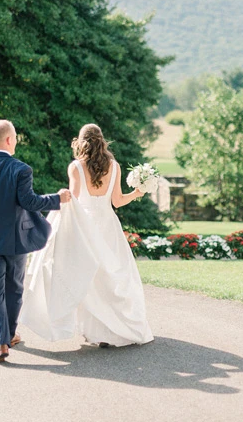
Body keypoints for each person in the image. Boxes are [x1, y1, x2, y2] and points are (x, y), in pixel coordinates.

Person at [20, 123, 154, 347]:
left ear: (80, 142)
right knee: (109, 277)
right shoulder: (114, 166)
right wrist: (137, 193)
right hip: (108, 224)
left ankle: (97, 332)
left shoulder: (76, 167)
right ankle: (109, 331)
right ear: (102, 140)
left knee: (87, 277)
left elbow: (73, 200)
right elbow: (117, 202)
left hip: (85, 226)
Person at [0, 119, 71, 363]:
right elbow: (29, 202)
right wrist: (58, 198)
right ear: (9, 140)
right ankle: (8, 335)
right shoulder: (21, 169)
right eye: (16, 138)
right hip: (14, 239)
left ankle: (0, 343)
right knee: (14, 289)